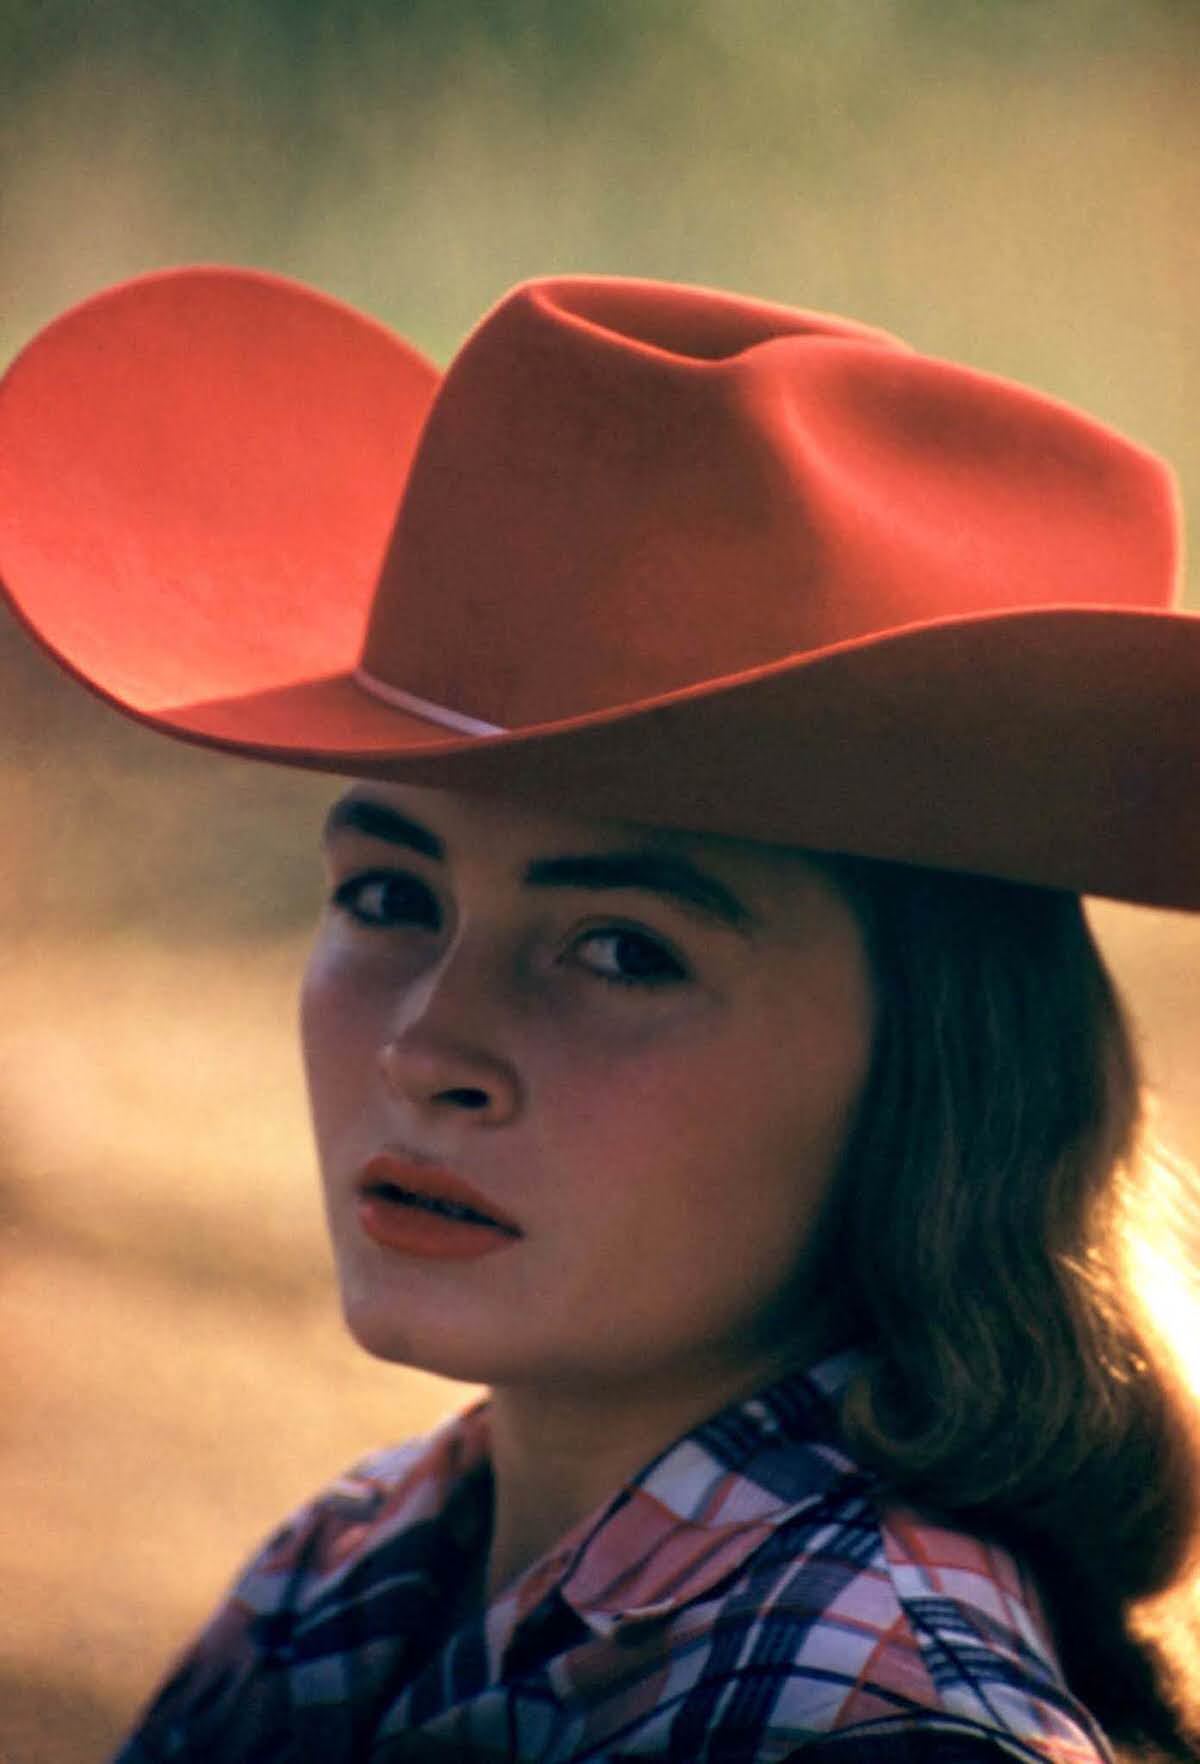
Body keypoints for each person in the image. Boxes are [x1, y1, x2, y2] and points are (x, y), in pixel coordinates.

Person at [1, 268, 1198, 1763]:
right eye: (391, 895)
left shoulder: (877, 1727)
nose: (427, 1050)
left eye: (624, 951)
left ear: (939, 1073)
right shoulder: (341, 1574)